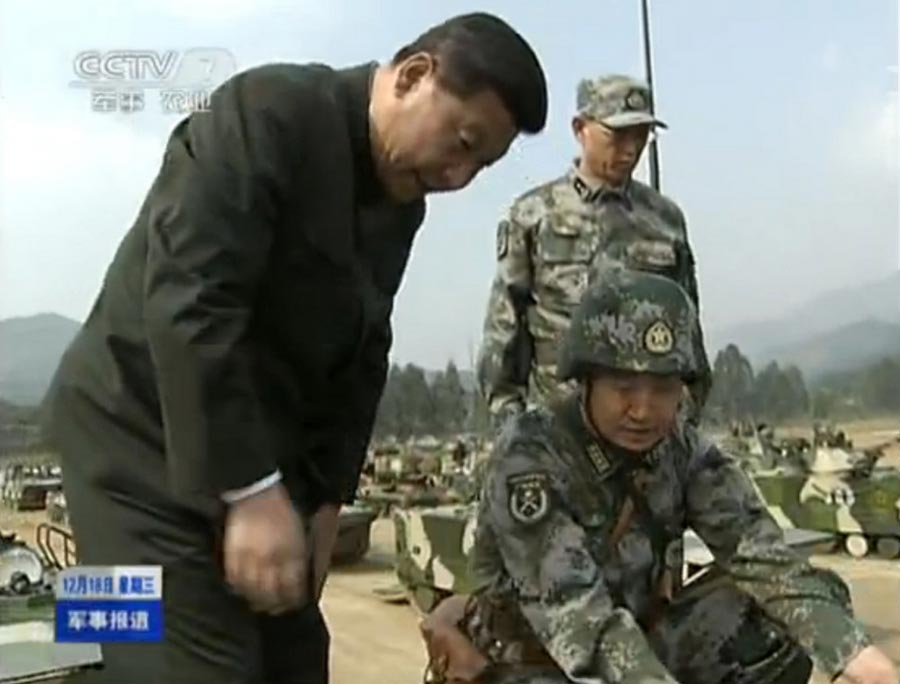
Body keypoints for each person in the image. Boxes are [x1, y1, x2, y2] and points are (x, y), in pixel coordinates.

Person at [40, 13, 547, 684]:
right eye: (461, 142)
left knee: (295, 660)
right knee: (192, 666)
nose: (458, 176)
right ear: (416, 74)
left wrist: (323, 502)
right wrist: (250, 492)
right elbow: (192, 302)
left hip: (256, 459)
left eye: (481, 166)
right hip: (134, 445)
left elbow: (362, 354)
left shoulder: (400, 201)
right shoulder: (266, 115)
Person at [423, 268, 897, 684]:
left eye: (665, 388)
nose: (644, 410)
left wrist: (856, 656)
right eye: (624, 387)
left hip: (636, 643)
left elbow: (764, 558)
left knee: (797, 608)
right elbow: (579, 618)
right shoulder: (529, 457)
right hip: (533, 661)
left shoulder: (682, 448)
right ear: (586, 380)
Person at [477, 73, 711, 430]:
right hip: (560, 427)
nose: (631, 149)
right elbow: (505, 327)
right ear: (580, 128)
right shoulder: (534, 214)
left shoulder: (665, 219)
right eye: (617, 135)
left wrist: (683, 420)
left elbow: (688, 329)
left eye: (641, 136)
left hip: (646, 426)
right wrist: (512, 430)